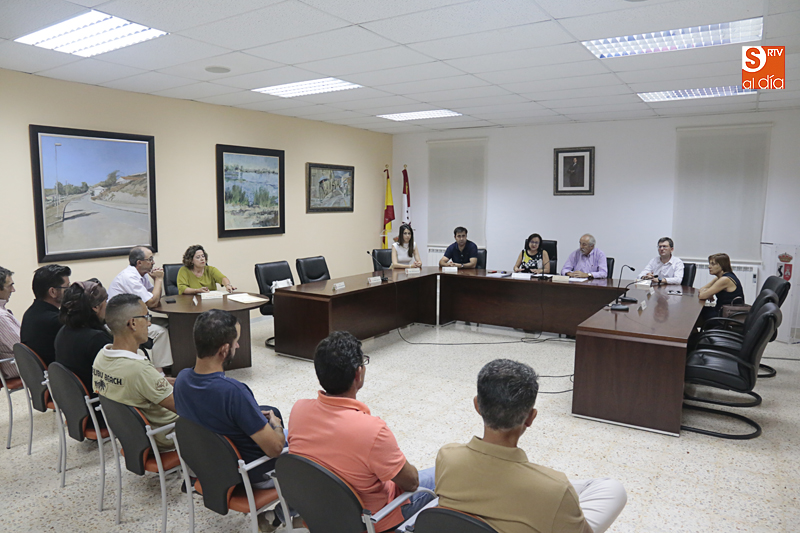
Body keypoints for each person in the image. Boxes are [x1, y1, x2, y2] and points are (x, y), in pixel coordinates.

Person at [436, 359, 627, 533]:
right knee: (612, 488)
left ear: (477, 406)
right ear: (530, 417)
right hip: (549, 494)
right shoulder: (555, 489)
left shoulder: (447, 456)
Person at [288, 331, 435, 532]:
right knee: (441, 476)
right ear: (358, 373)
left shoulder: (298, 410)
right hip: (374, 521)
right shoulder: (372, 430)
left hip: (321, 511)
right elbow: (411, 482)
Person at [174, 309, 285, 488]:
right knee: (303, 448)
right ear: (224, 349)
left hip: (211, 466)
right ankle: (283, 514)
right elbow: (275, 449)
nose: (238, 346)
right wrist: (277, 425)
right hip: (249, 473)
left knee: (270, 410)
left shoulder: (182, 379)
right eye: (236, 342)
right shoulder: (234, 392)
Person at [92, 294, 178, 451]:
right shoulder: (139, 370)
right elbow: (183, 408)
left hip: (134, 437)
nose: (149, 322)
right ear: (132, 323)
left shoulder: (101, 356)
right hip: (167, 435)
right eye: (146, 317)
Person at [107, 246, 172, 370]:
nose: (153, 262)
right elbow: (152, 303)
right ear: (139, 262)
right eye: (150, 259)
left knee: (169, 324)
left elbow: (154, 297)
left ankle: (168, 366)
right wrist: (158, 280)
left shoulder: (141, 275)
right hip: (123, 323)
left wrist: (156, 282)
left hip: (135, 317)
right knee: (161, 332)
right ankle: (159, 373)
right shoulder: (130, 277)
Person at [54, 280, 111, 396]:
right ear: (95, 306)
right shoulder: (96, 339)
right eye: (106, 301)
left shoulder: (64, 331)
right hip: (101, 406)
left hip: (76, 403)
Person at [20, 264, 71, 366]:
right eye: (67, 288)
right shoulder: (54, 321)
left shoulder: (30, 313)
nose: (70, 292)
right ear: (53, 292)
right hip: (57, 377)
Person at [698, 253, 745, 320]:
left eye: (713, 264)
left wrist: (708, 293)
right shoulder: (720, 277)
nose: (709, 266)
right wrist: (708, 293)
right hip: (722, 311)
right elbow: (702, 289)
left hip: (726, 316)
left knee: (693, 316)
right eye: (709, 263)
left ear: (722, 265)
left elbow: (702, 296)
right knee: (695, 313)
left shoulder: (725, 280)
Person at [0, 267, 20, 380]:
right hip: (16, 365)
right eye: (9, 286)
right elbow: (23, 347)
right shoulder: (1, 316)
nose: (13, 290)